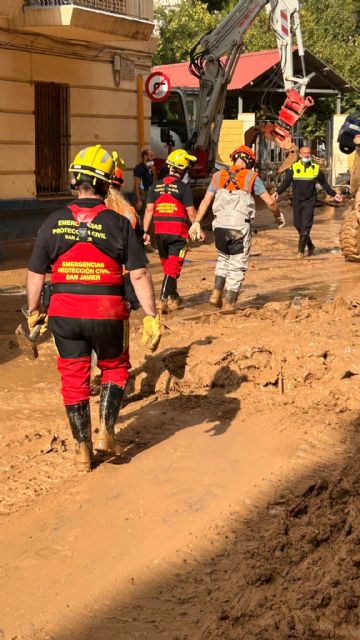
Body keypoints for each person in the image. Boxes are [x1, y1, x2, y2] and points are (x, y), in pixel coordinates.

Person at [26, 144, 161, 472]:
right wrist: (152, 316)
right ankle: (106, 434)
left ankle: (82, 449)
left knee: (74, 378)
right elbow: (140, 274)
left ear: (75, 181)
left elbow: (35, 274)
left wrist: (33, 311)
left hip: (64, 313)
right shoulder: (118, 222)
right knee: (115, 368)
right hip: (108, 311)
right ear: (105, 185)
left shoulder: (53, 221)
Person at [189, 145, 285, 310]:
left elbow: (205, 201)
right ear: (250, 162)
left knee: (223, 258)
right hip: (239, 225)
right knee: (237, 264)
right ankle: (229, 303)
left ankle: (216, 295)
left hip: (219, 225)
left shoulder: (217, 176)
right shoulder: (251, 176)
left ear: (233, 158)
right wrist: (277, 216)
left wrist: (197, 222)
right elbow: (270, 202)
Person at [143, 148, 197, 314]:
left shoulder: (155, 186)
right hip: (178, 235)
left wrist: (145, 232)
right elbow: (191, 212)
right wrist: (198, 227)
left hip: (160, 234)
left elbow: (149, 210)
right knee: (173, 269)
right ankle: (162, 301)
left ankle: (174, 297)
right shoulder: (183, 188)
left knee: (168, 268)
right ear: (183, 169)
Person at [274, 145, 343, 258]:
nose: (307, 155)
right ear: (300, 155)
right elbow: (286, 183)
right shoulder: (294, 167)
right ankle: (310, 245)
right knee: (298, 225)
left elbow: (324, 184)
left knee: (306, 226)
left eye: (308, 153)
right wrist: (277, 192)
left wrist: (334, 194)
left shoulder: (315, 168)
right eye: (304, 153)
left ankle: (300, 252)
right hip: (296, 201)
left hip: (309, 201)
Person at [133, 147, 157, 218]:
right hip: (142, 195)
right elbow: (136, 185)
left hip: (150, 195)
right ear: (145, 157)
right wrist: (139, 200)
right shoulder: (139, 168)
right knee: (142, 218)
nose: (154, 158)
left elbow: (155, 182)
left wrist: (154, 172)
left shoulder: (151, 167)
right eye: (151, 156)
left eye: (154, 156)